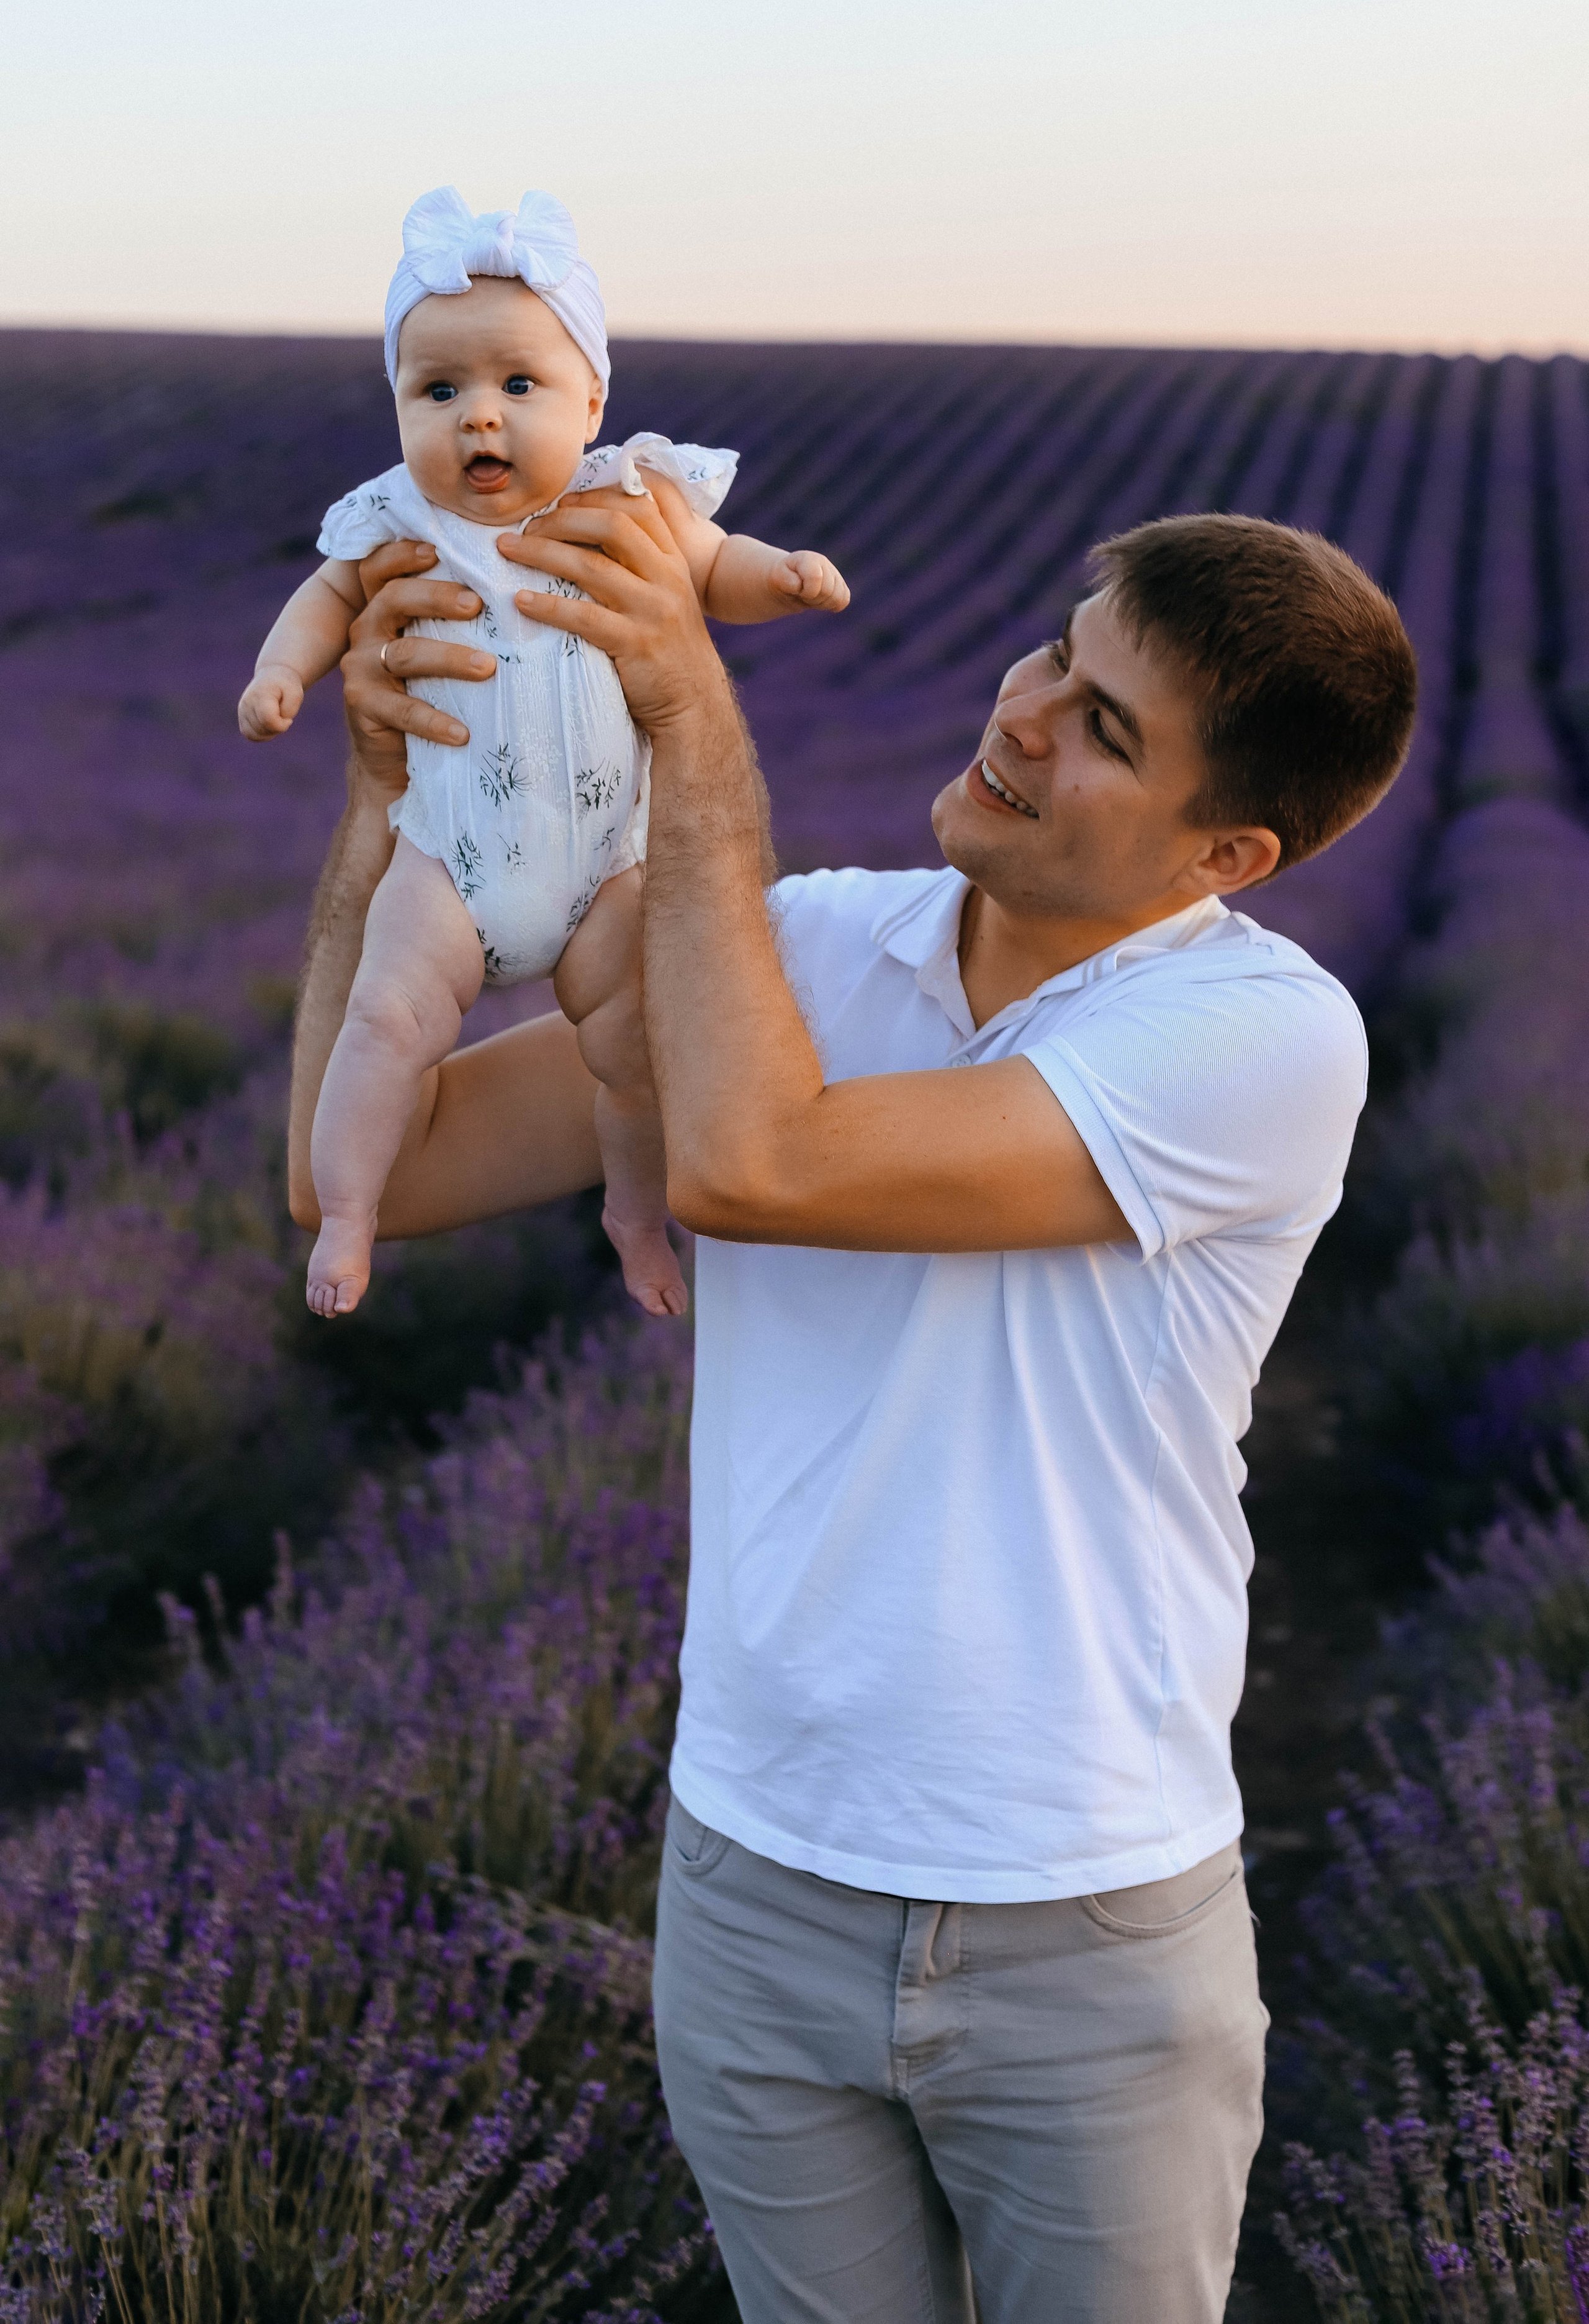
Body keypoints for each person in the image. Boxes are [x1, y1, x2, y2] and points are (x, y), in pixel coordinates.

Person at [288, 493, 1417, 2323]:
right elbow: (372, 1168)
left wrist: (688, 722)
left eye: (1103, 725)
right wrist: (384, 808)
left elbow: (757, 1166)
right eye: (1053, 652)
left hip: (1078, 1924)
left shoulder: (1261, 1040)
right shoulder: (803, 951)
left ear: (1227, 853)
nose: (1022, 712)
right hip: (752, 1888)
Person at [240, 186, 846, 1321]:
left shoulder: (631, 497)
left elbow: (718, 565)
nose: (481, 418)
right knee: (382, 1024)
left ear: (594, 399)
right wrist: (282, 675)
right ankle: (352, 1215)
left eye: (519, 386)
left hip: (601, 865)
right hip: (447, 861)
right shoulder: (398, 521)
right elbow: (323, 601)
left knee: (635, 1055)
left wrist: (785, 576)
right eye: (439, 391)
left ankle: (635, 1215)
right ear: (397, 406)